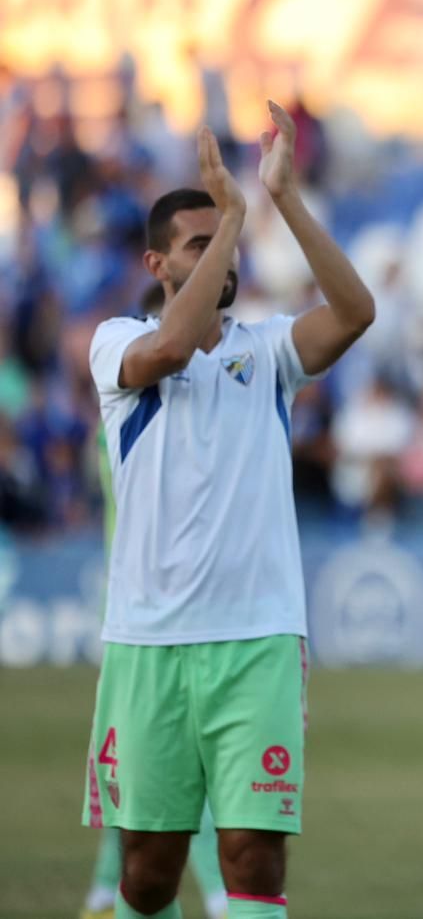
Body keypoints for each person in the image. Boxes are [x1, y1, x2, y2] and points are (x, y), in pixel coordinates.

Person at [84, 104, 374, 919]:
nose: (221, 256)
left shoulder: (269, 350)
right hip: (149, 641)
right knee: (147, 875)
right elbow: (171, 349)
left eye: (226, 244)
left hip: (258, 640)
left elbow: (355, 313)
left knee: (253, 856)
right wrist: (236, 213)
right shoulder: (117, 344)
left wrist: (280, 200)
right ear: (158, 263)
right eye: (197, 245)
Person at [83, 287, 230, 919]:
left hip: (137, 601)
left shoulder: (119, 416)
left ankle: (101, 888)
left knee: (138, 777)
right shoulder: (137, 404)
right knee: (171, 775)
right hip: (151, 605)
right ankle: (221, 896)